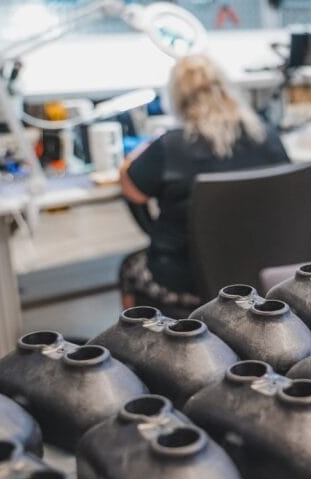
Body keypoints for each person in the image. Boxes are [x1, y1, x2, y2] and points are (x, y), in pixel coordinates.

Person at [120, 54, 290, 317]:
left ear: (176, 98)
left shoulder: (171, 145)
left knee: (130, 268)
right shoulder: (267, 136)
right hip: (263, 278)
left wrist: (138, 152)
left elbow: (133, 191)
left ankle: (146, 341)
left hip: (187, 282)